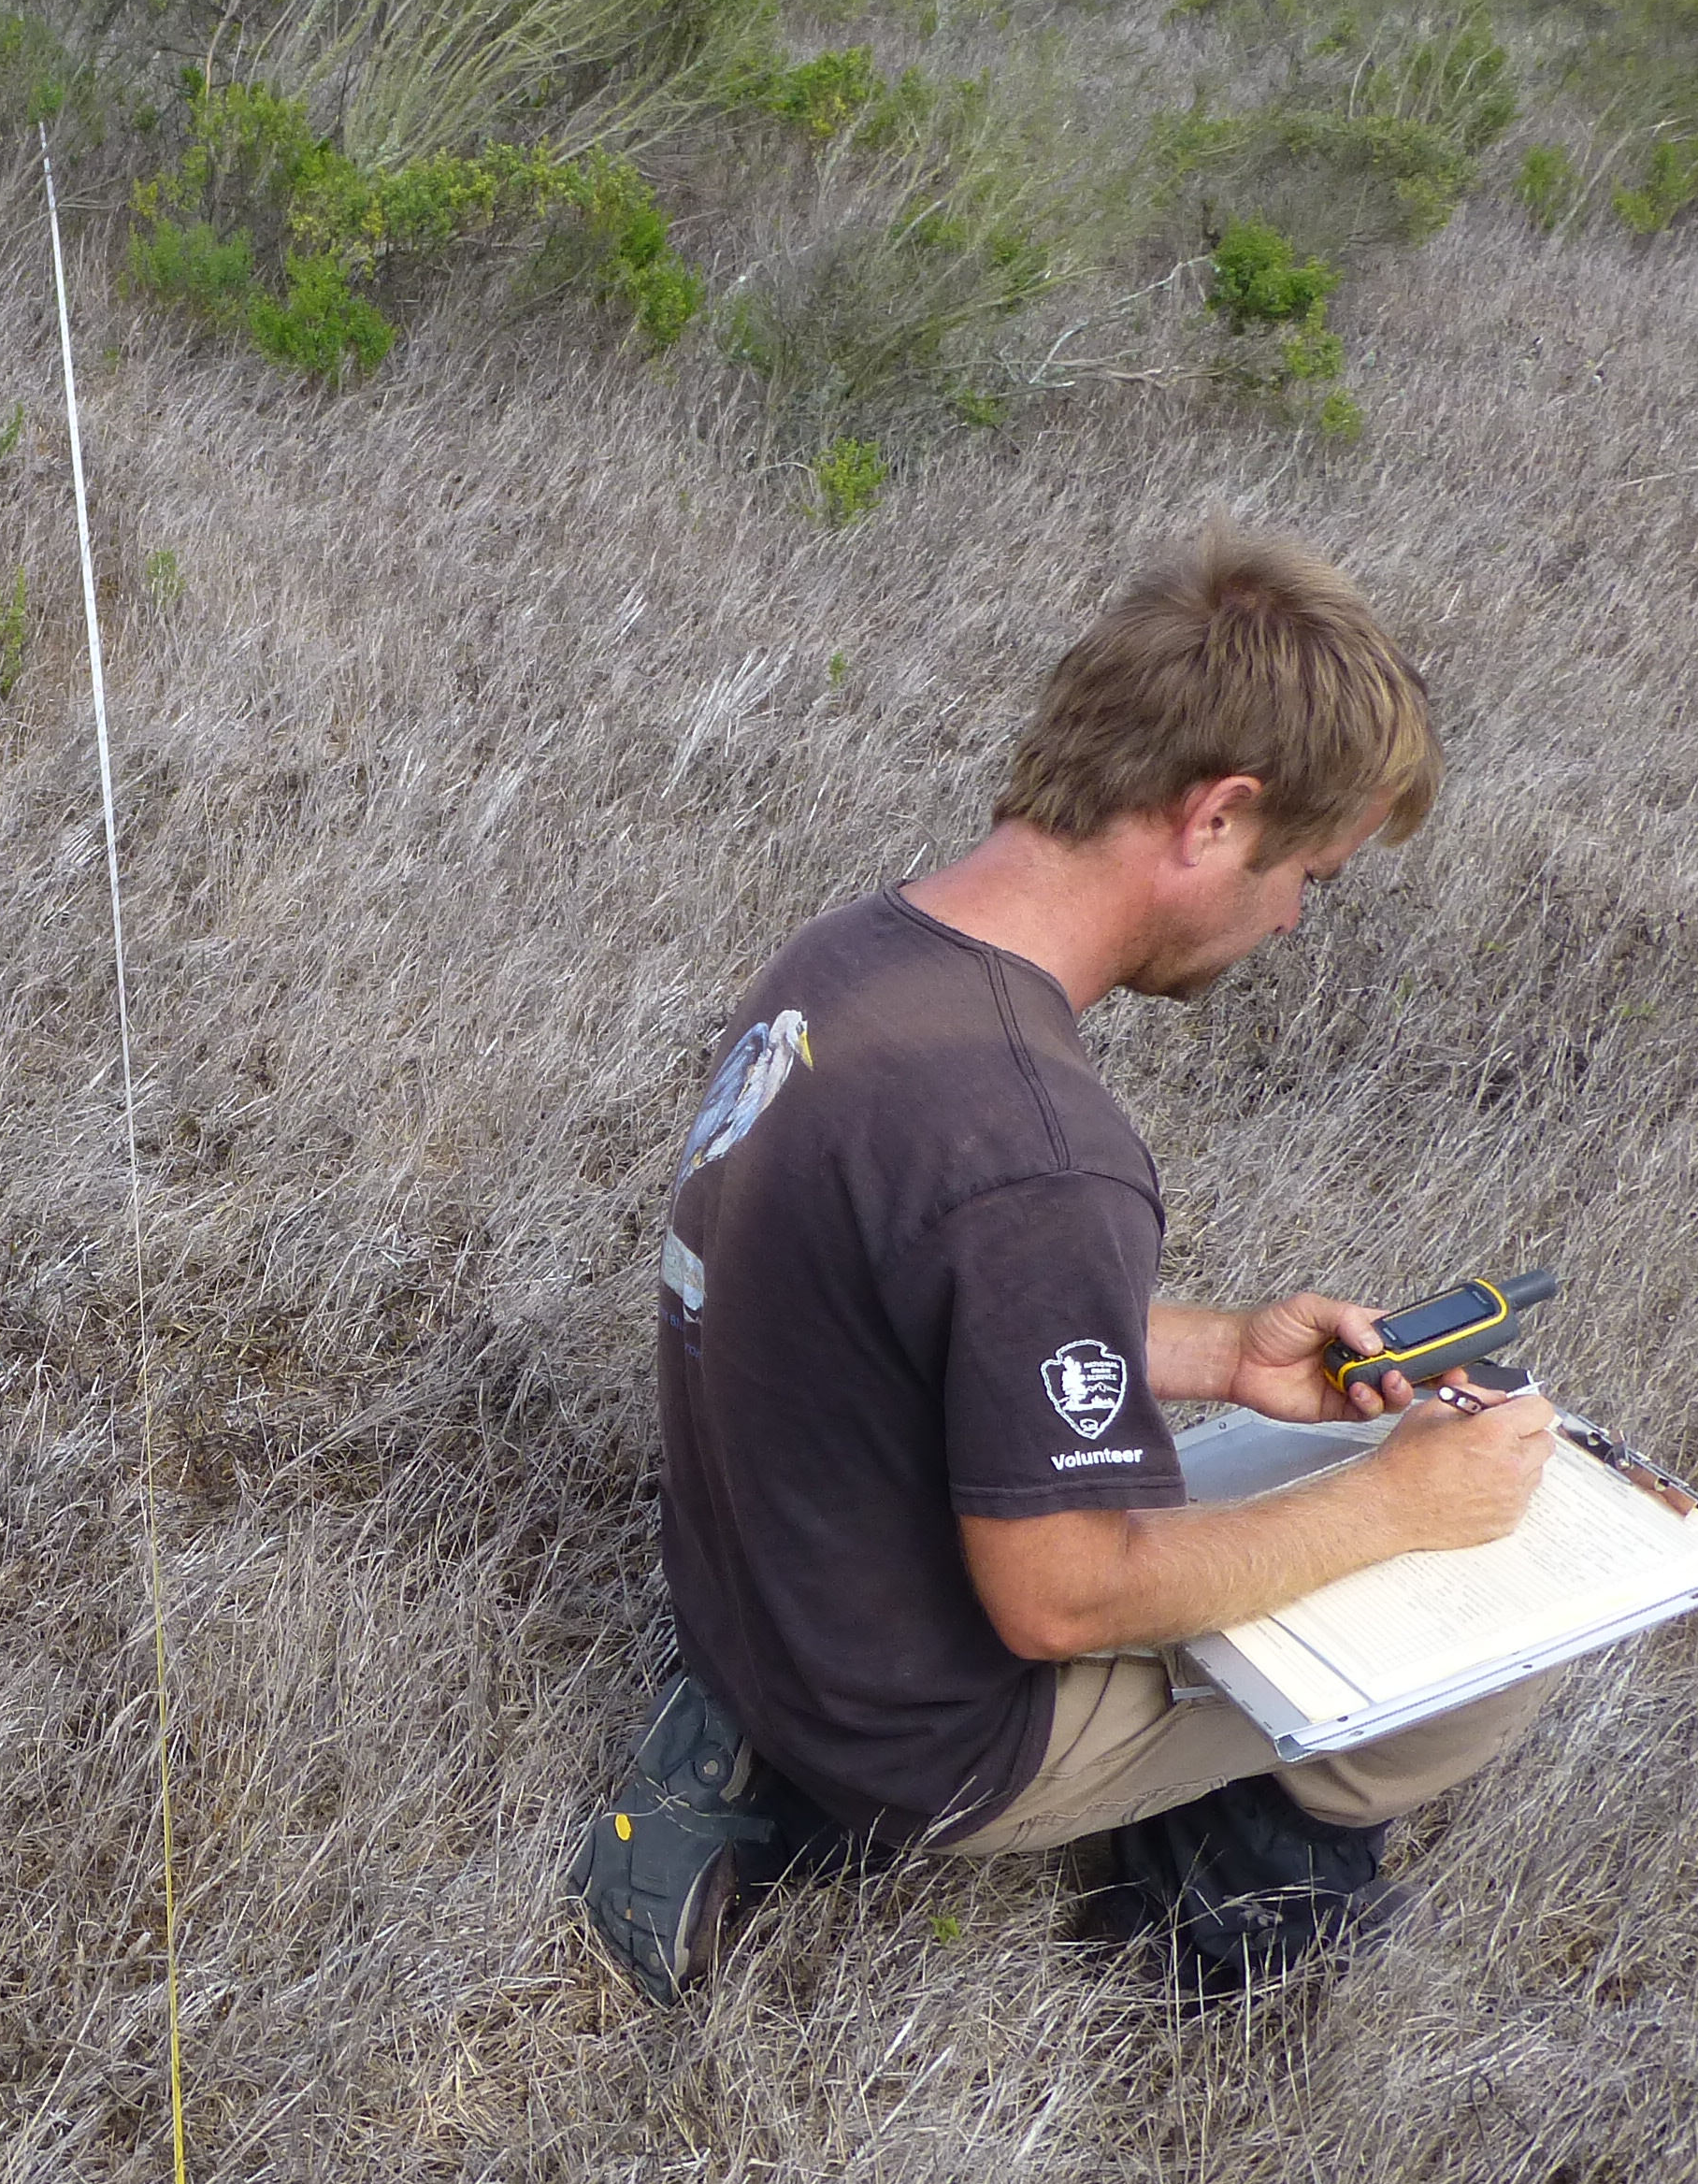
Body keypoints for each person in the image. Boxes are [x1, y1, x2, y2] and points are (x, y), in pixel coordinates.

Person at [577, 527, 1563, 2003]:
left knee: (1303, 1484)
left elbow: (896, 1299)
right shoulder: (1039, 1152)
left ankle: (753, 1734)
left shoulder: (853, 958)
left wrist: (1224, 1354)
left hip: (756, 1610)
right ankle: (1228, 1883)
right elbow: (1064, 1602)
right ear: (1219, 816)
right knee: (1511, 1589)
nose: (1294, 918)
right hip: (925, 1730)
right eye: (1311, 873)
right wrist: (1398, 1507)